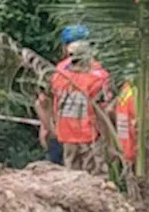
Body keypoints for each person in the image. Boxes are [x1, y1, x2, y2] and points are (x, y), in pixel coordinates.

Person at [46, 40, 111, 175]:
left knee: (72, 176)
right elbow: (102, 111)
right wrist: (108, 138)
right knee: (96, 177)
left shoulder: (59, 75)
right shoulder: (97, 79)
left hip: (67, 135)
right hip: (90, 136)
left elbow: (51, 100)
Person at [38, 25, 93, 165]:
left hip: (67, 136)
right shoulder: (99, 72)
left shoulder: (58, 72)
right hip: (90, 137)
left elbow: (43, 101)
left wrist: (47, 127)